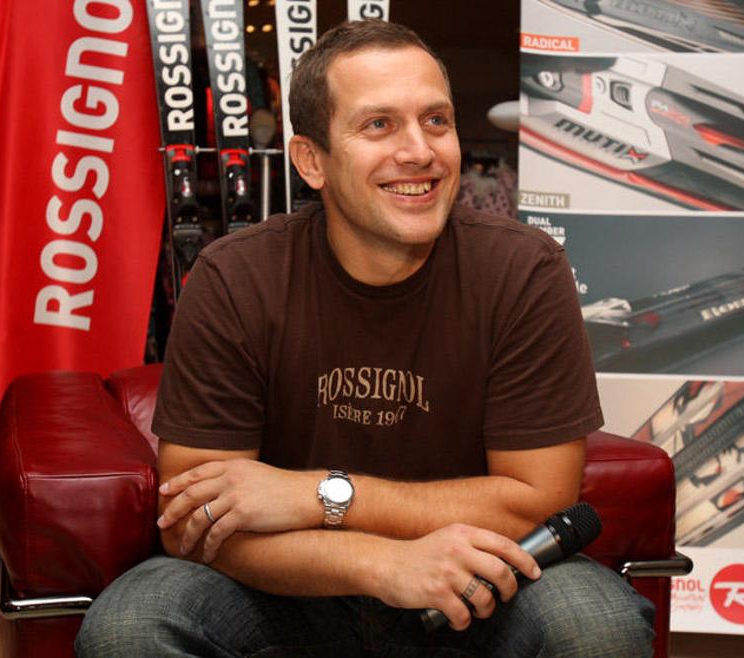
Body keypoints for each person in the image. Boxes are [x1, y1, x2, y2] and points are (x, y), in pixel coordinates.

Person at [76, 19, 654, 657]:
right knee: (132, 626)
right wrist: (381, 565)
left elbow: (535, 502)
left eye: (436, 121)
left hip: (477, 583)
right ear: (312, 161)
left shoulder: (524, 270)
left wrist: (317, 493)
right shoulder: (234, 278)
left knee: (597, 624)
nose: (420, 151)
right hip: (287, 582)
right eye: (379, 125)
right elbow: (191, 523)